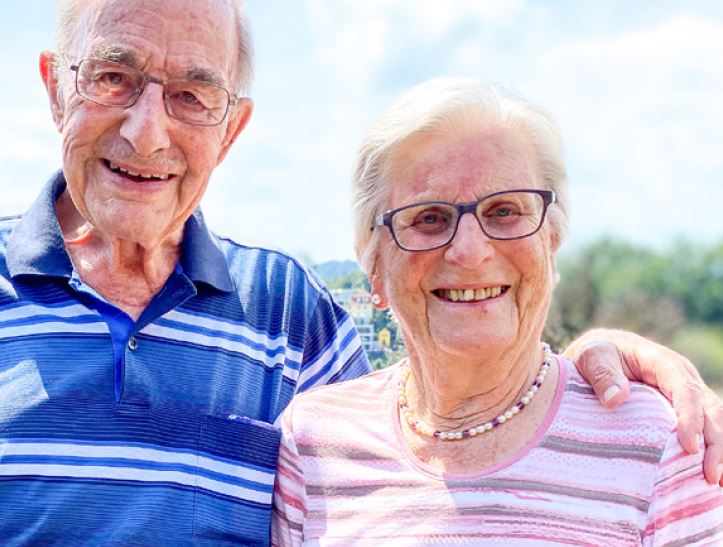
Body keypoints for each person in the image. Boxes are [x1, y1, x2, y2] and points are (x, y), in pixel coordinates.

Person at [0, 0, 719, 544]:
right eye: (113, 77)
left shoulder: (286, 313)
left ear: (232, 129)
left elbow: (459, 390)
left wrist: (602, 358)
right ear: (56, 89)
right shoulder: (320, 424)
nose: (146, 130)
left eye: (191, 94)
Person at [271, 79, 723, 545]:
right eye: (429, 218)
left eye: (505, 211)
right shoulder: (312, 445)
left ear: (552, 242)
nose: (469, 250)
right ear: (374, 267)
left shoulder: (660, 446)